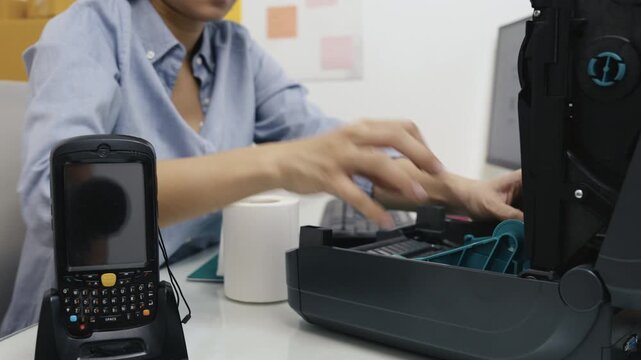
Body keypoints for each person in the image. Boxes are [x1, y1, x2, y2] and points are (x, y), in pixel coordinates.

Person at [0, 0, 523, 336]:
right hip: (76, 326)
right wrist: (274, 161)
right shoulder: (88, 28)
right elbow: (59, 199)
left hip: (179, 310)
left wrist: (464, 192)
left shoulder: (236, 51)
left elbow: (342, 158)